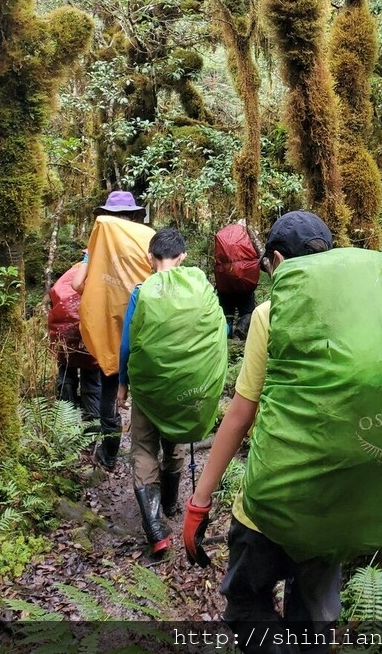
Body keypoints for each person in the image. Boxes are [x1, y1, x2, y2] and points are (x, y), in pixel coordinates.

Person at [183, 210, 382, 653]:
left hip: (274, 504)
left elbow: (241, 415)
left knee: (244, 602)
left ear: (277, 261)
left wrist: (199, 501)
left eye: (267, 267)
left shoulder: (271, 313)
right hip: (342, 504)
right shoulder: (370, 322)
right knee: (315, 621)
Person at [117, 227, 228, 555]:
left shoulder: (142, 291)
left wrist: (122, 385)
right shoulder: (202, 289)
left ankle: (155, 529)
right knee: (174, 443)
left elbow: (127, 345)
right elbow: (220, 330)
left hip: (148, 390)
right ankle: (169, 504)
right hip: (187, 388)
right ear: (183, 257)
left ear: (150, 258)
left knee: (143, 448)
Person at [74, 190, 155, 472]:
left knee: (110, 401)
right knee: (148, 398)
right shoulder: (149, 238)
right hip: (147, 333)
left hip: (113, 333)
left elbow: (76, 286)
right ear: (133, 215)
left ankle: (109, 457)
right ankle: (149, 462)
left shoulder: (101, 240)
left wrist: (88, 259)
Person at [47, 257, 100, 430]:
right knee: (91, 383)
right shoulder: (99, 275)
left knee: (66, 378)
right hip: (89, 340)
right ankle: (89, 436)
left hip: (64, 337)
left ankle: (65, 427)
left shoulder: (68, 275)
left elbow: (54, 299)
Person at [213, 220, 261, 340]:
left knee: (226, 312)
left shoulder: (223, 235)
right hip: (245, 279)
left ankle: (225, 336)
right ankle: (241, 330)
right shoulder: (246, 235)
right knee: (247, 311)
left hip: (224, 281)